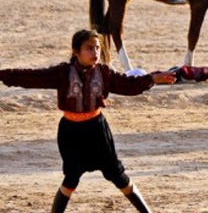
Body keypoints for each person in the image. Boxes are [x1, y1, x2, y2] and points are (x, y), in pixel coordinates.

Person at [0, 29, 176, 213]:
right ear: (76, 51)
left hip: (97, 130)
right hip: (70, 132)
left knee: (118, 176)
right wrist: (2, 75)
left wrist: (152, 78)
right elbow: (31, 77)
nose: (95, 53)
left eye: (97, 48)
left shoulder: (105, 73)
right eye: (89, 48)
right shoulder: (62, 73)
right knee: (71, 180)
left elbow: (128, 85)